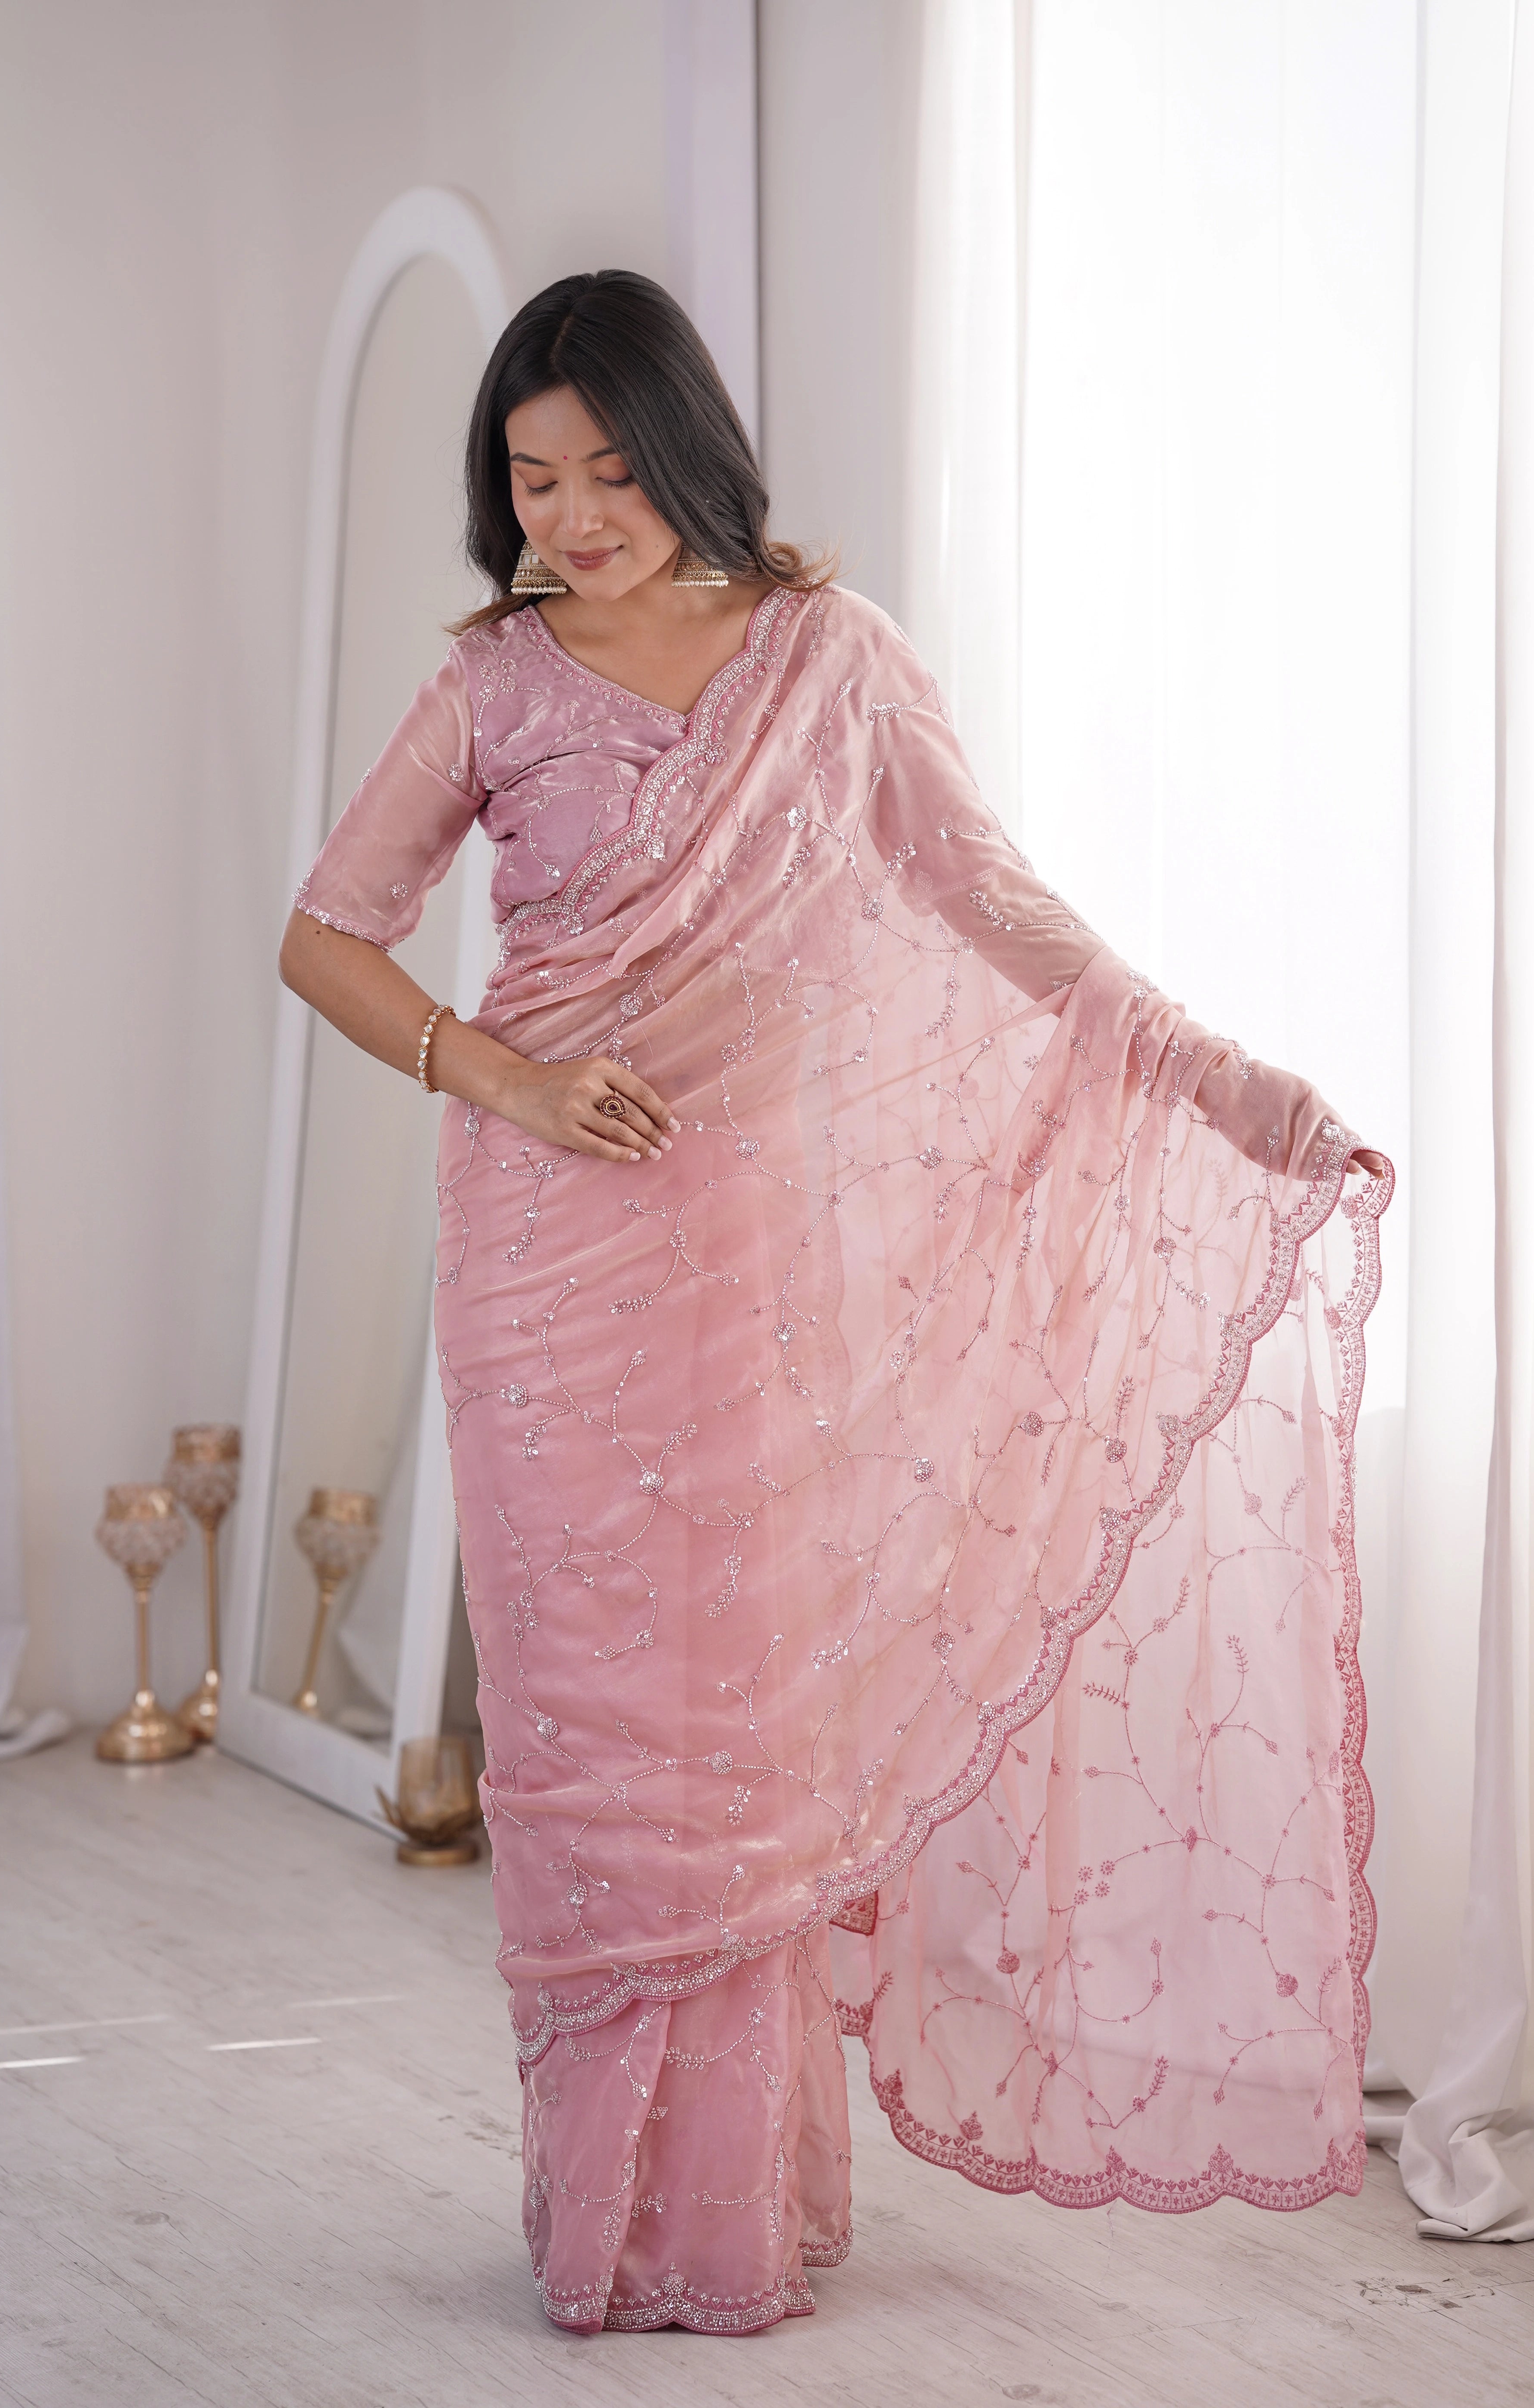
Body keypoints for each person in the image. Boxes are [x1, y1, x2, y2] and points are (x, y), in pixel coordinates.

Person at [281, 269, 1392, 2336]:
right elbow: (326, 933)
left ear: (686, 450)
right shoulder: (492, 684)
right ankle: (605, 2220)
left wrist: (1227, 1086)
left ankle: (732, 2212)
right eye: (532, 477)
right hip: (541, 1263)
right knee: (587, 1736)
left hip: (749, 1275)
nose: (572, 515)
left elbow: (999, 909)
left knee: (735, 1731)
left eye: (608, 470)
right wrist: (504, 1076)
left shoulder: (832, 661)